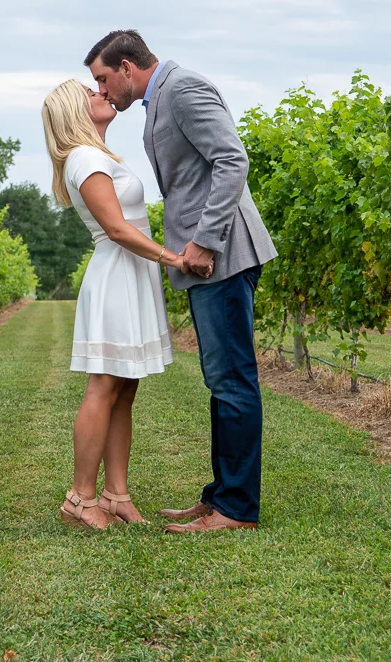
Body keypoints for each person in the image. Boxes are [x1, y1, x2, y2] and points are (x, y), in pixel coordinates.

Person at [86, 30, 275, 534]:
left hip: (224, 256)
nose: (102, 91)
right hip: (206, 262)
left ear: (127, 67)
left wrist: (206, 241)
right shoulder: (160, 98)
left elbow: (233, 160)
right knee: (221, 381)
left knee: (233, 381)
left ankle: (236, 508)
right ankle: (220, 497)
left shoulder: (183, 89)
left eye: (104, 79)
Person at [40, 78, 185, 531]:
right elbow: (119, 229)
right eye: (91, 92)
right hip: (118, 275)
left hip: (131, 274)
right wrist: (174, 258)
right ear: (74, 112)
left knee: (125, 388)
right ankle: (81, 498)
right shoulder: (83, 158)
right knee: (104, 385)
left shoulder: (97, 156)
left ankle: (116, 495)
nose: (102, 93)